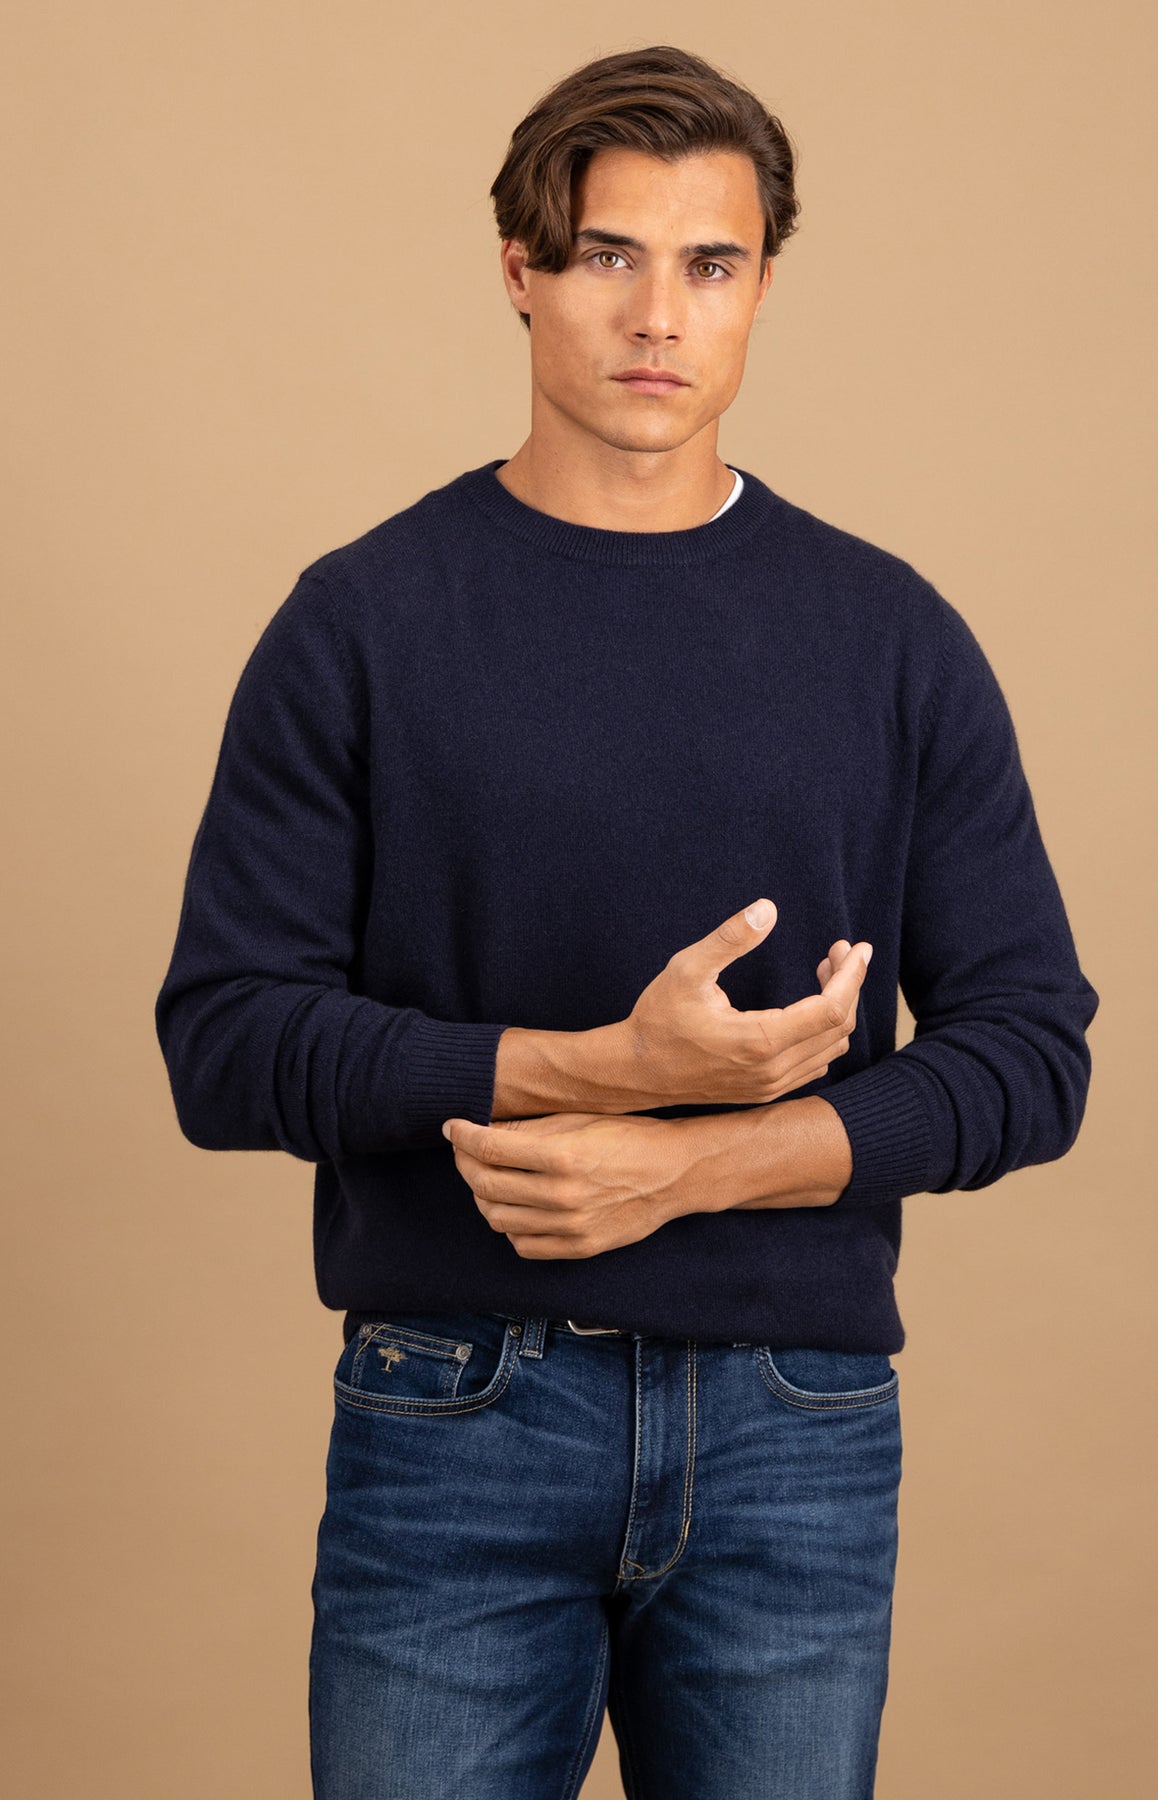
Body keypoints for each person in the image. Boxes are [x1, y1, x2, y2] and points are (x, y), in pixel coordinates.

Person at [154, 43, 1099, 1800]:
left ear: (762, 288)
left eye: (710, 264)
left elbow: (1032, 1055)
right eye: (607, 256)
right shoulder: (361, 624)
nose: (658, 315)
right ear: (519, 270)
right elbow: (223, 1042)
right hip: (456, 1410)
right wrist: (591, 1068)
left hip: (796, 1427)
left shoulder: (890, 637)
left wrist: (693, 1164)